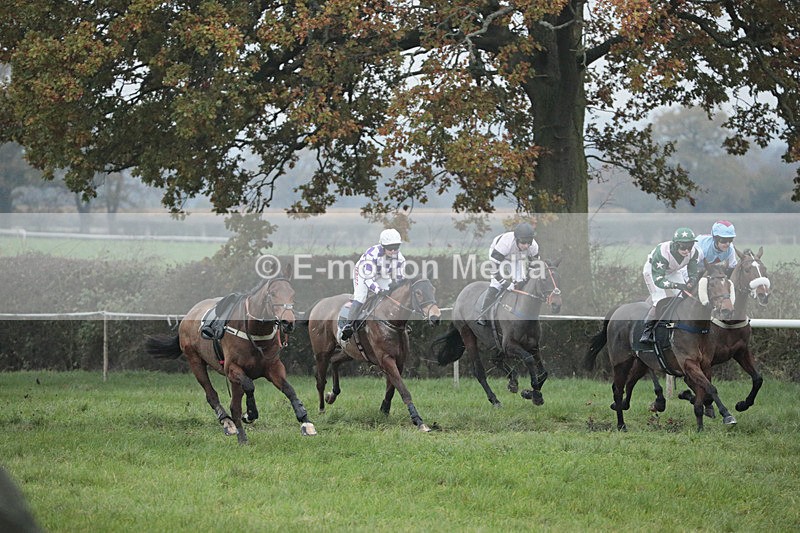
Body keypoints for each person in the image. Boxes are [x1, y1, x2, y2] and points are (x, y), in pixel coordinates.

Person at [640, 227, 704, 343]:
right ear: (675, 245)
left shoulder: (694, 253)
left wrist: (690, 282)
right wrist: (677, 285)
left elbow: (693, 273)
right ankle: (646, 332)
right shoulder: (662, 253)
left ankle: (676, 326)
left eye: (689, 247)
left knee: (681, 298)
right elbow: (659, 280)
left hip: (673, 271)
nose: (687, 251)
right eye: (683, 247)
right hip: (654, 272)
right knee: (660, 300)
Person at [341, 228, 406, 340]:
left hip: (381, 275)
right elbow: (368, 279)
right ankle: (349, 325)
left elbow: (400, 279)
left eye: (396, 247)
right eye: (390, 248)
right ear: (383, 246)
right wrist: (378, 290)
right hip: (363, 274)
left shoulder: (400, 259)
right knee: (361, 297)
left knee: (390, 297)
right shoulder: (372, 254)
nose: (393, 251)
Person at [476, 222, 539, 326]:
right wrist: (505, 284)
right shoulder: (505, 244)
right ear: (517, 239)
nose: (526, 246)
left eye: (529, 242)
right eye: (523, 242)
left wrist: (526, 280)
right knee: (496, 284)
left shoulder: (533, 246)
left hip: (517, 258)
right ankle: (483, 314)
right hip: (499, 256)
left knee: (520, 282)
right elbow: (493, 269)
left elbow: (535, 265)